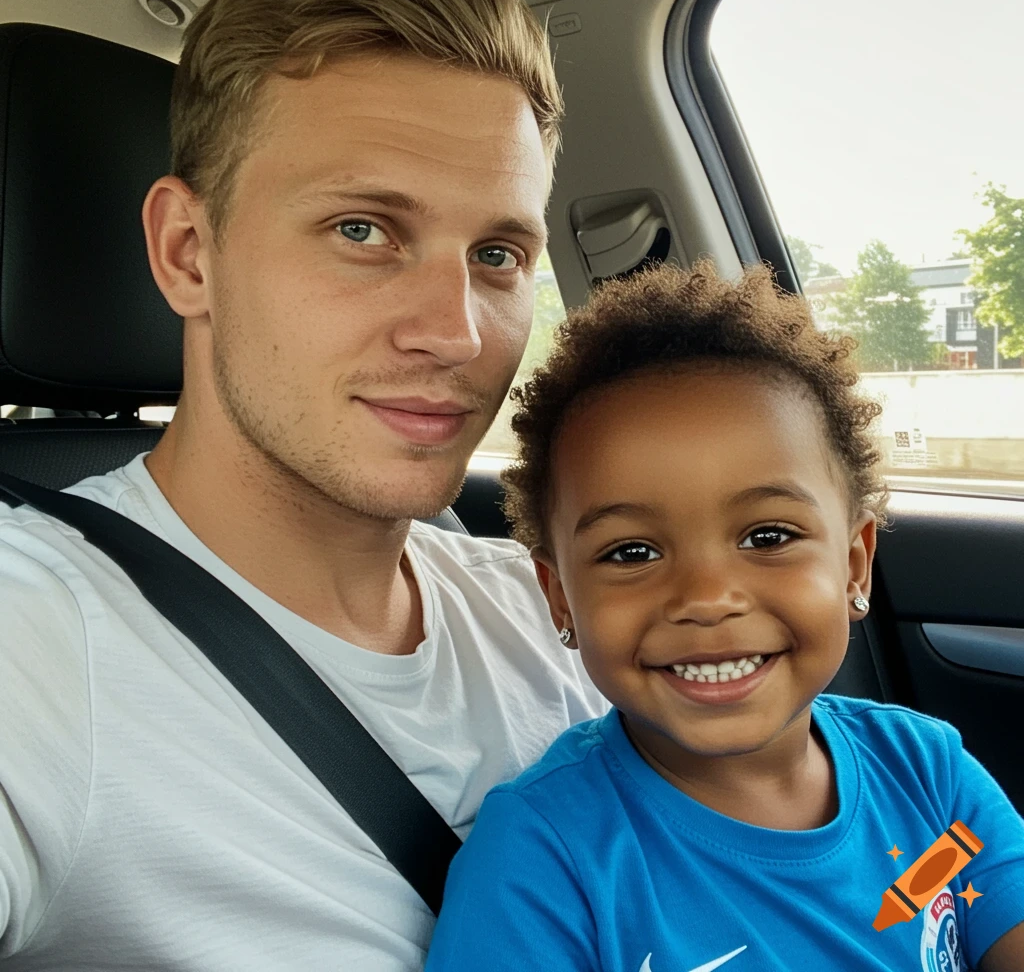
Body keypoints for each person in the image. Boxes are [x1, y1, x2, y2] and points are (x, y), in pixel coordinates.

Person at [0, 0, 605, 968]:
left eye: (496, 255)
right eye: (363, 229)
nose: (455, 334)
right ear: (189, 251)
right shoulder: (37, 641)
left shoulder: (550, 613)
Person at [424, 260, 1024, 972]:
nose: (706, 598)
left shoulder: (928, 772)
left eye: (767, 537)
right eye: (632, 551)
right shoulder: (543, 855)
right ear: (561, 600)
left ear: (855, 565)